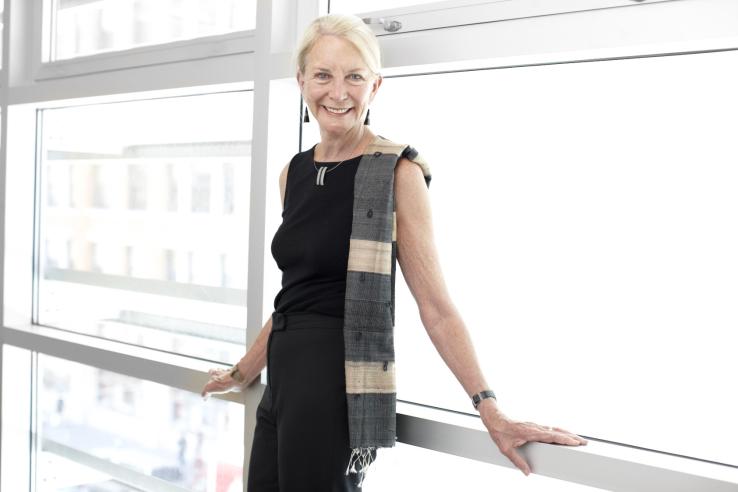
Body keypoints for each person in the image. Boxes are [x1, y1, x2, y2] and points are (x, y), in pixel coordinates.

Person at [201, 13, 588, 491]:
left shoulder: (395, 172)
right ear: (300, 80)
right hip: (282, 380)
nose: (338, 92)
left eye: (354, 76)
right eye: (323, 75)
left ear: (375, 86)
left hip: (334, 382)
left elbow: (436, 307)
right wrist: (243, 371)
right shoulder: (294, 172)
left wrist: (491, 408)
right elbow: (293, 297)